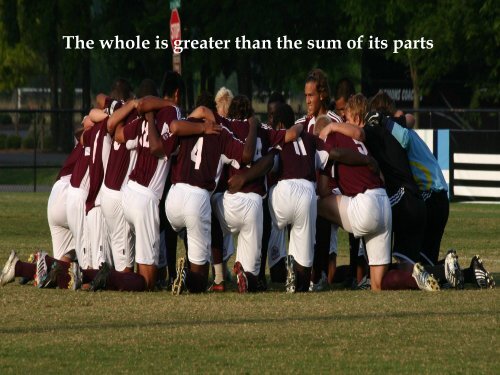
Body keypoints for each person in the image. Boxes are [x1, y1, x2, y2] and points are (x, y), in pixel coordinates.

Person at [164, 107, 257, 294]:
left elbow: (170, 134)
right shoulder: (220, 131)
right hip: (197, 199)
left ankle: (172, 274)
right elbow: (247, 155)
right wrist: (253, 126)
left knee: (181, 228)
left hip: (173, 197)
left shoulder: (186, 126)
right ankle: (185, 275)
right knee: (199, 281)